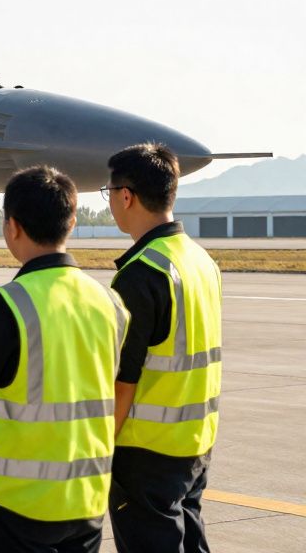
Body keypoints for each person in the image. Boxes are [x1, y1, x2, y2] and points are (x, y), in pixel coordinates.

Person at [0, 166, 129, 553]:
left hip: (16, 504)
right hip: (84, 498)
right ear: (71, 222)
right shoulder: (110, 302)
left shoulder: (6, 305)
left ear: (12, 227)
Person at [104, 144, 222, 553]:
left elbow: (124, 381)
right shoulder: (201, 260)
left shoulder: (141, 274)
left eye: (109, 193)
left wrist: (100, 446)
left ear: (126, 195)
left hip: (147, 451)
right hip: (195, 441)